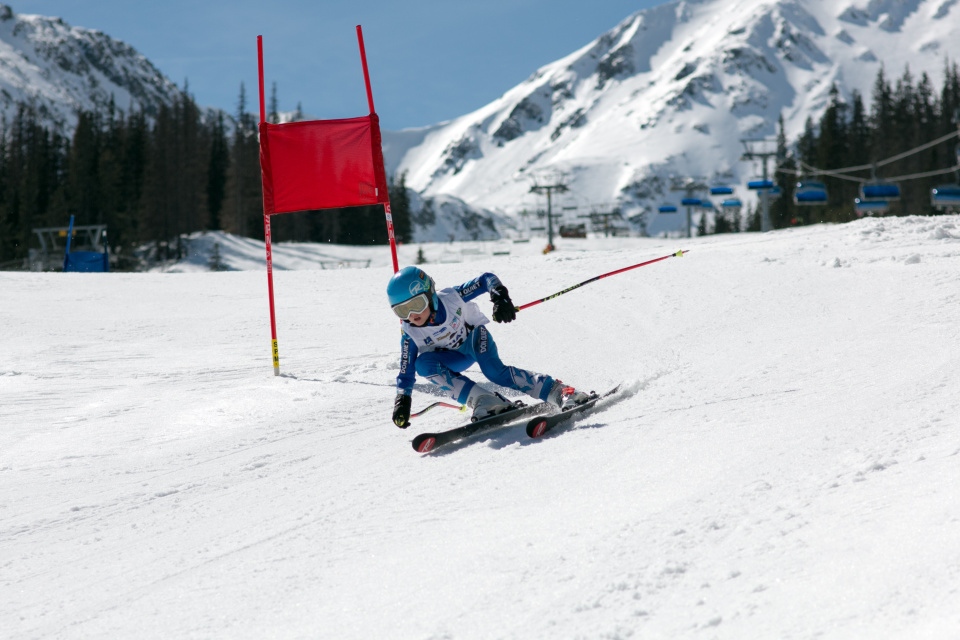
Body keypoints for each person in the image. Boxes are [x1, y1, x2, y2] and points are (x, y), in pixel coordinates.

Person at [387, 266, 590, 428]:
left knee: (494, 372)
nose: (412, 315)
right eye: (402, 311)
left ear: (430, 294)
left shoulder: (451, 297)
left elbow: (486, 279)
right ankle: (485, 400)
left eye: (417, 305)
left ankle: (559, 391)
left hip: (474, 339)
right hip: (453, 357)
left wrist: (500, 297)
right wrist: (402, 401)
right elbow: (406, 372)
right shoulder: (410, 332)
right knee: (422, 364)